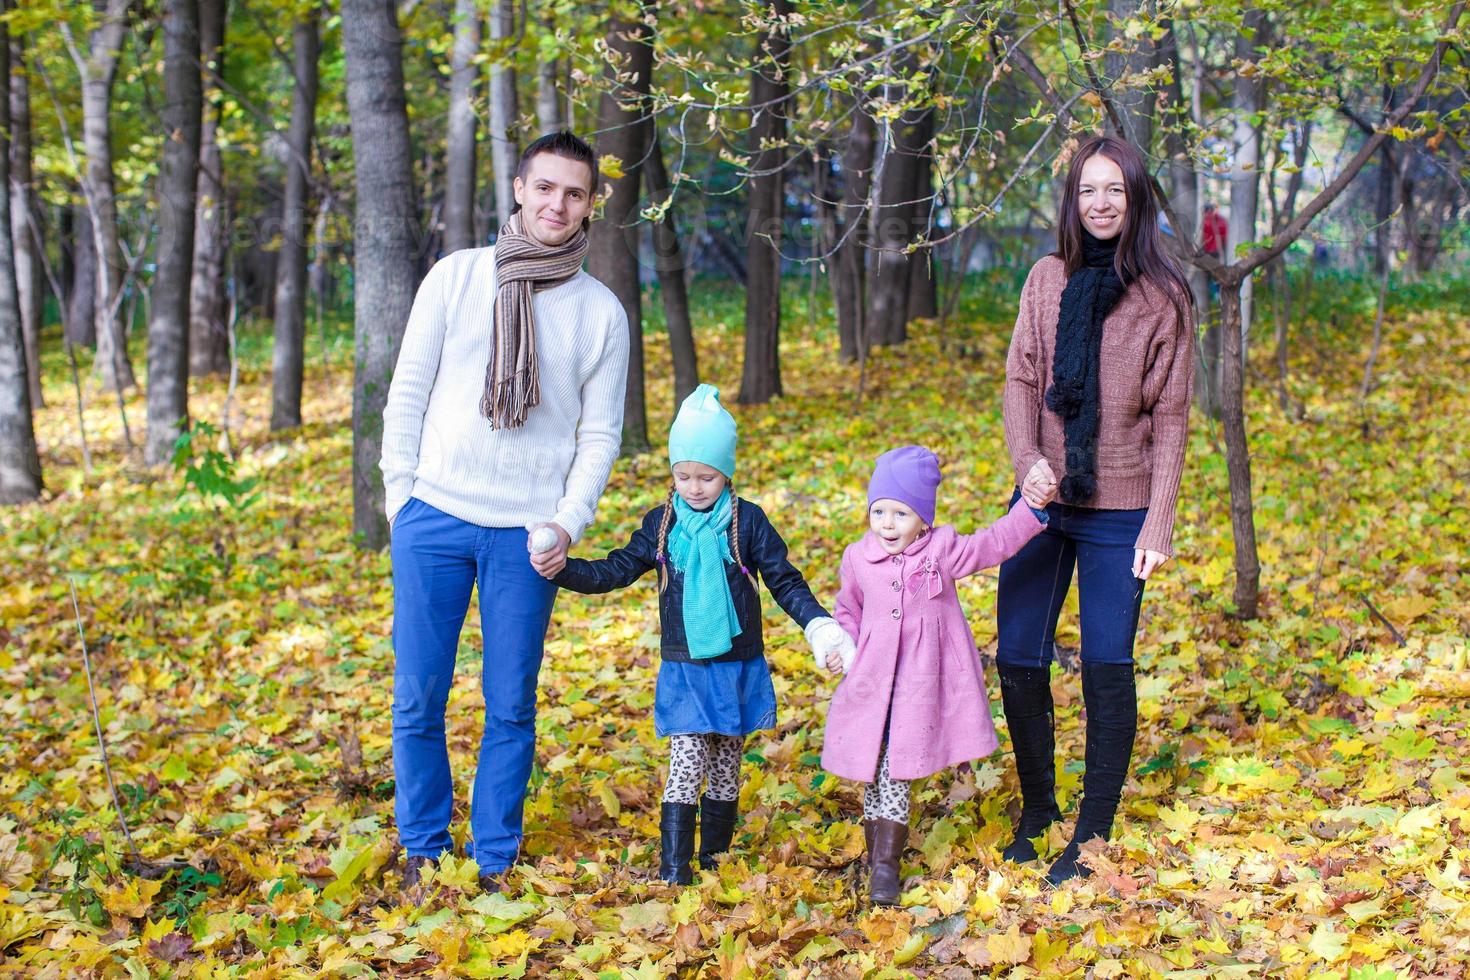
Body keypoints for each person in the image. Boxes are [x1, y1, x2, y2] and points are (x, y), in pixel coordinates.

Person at [380, 131, 631, 894]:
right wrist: (401, 503)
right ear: (520, 188)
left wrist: (565, 524)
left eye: (576, 193)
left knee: (511, 705)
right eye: (546, 187)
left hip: (528, 538)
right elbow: (408, 393)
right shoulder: (455, 279)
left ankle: (494, 859)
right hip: (435, 518)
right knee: (418, 697)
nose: (559, 204)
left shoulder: (600, 313)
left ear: (592, 205)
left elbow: (599, 436)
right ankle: (422, 848)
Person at [554, 385, 853, 884]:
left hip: (736, 663)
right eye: (683, 475)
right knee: (687, 758)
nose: (694, 487)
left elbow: (783, 580)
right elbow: (617, 569)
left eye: (707, 476)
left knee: (725, 763)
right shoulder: (662, 523)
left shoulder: (747, 521)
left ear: (727, 473)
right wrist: (564, 570)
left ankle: (715, 859)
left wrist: (818, 625)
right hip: (686, 667)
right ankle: (675, 868)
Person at [998, 134, 1195, 885]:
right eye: (1088, 190)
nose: (1101, 203)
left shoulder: (1164, 296)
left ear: (1136, 197)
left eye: (1114, 189)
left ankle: (1092, 832)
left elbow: (1172, 417)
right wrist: (1028, 464)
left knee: (1108, 665)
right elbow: (1020, 380)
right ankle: (1039, 809)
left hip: (1122, 506)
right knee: (1018, 655)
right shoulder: (1046, 279)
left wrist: (1160, 523)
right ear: (1073, 200)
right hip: (1044, 498)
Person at [818, 447, 1052, 907]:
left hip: (919, 687)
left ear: (923, 519)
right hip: (872, 685)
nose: (886, 524)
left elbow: (993, 543)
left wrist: (1030, 510)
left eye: (900, 513)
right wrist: (839, 647)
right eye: (878, 511)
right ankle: (877, 854)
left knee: (895, 770)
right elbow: (849, 610)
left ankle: (884, 866)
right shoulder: (858, 558)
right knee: (876, 768)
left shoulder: (940, 550)